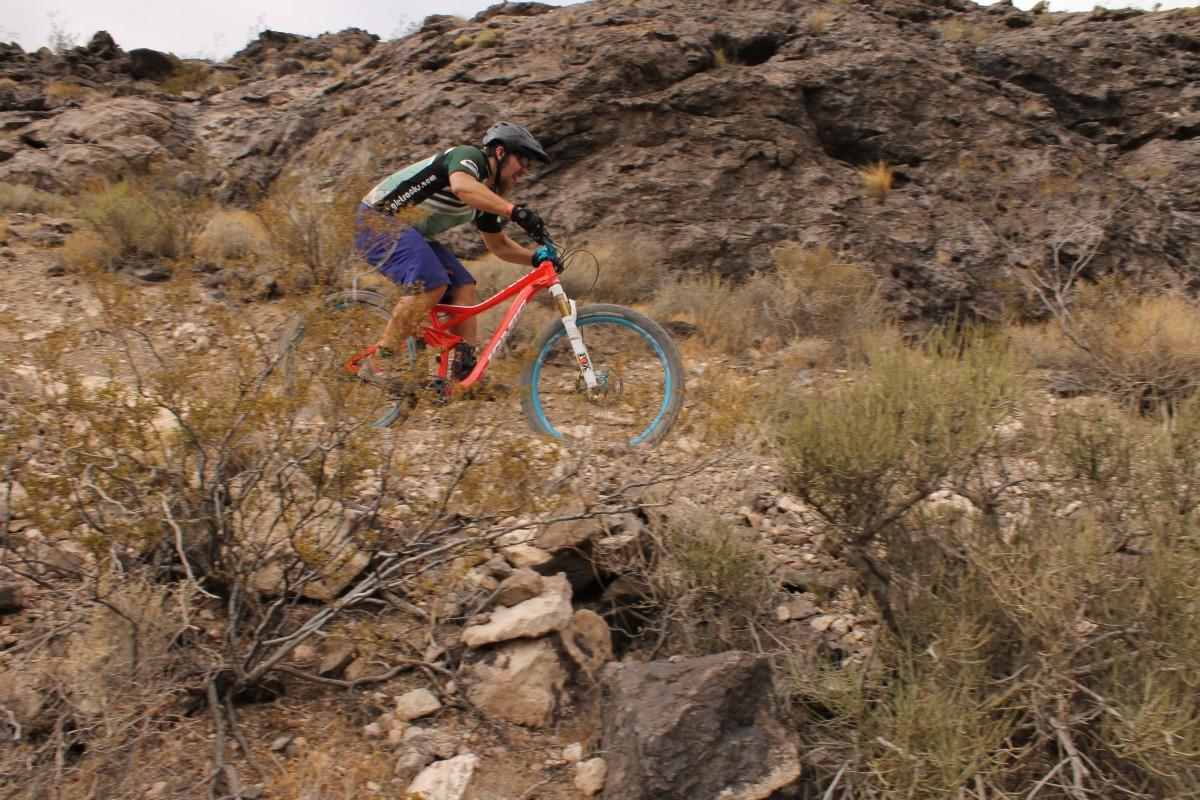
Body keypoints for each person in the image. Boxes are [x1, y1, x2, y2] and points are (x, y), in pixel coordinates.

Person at [353, 121, 552, 390]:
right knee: (432, 284)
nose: (525, 170)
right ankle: (379, 362)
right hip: (377, 221)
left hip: (410, 232)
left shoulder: (490, 194)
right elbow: (460, 186)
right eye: (523, 159)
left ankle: (462, 375)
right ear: (501, 152)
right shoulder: (468, 157)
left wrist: (536, 259)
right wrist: (514, 211)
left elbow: (497, 244)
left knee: (463, 286)